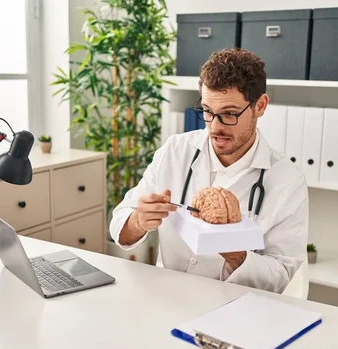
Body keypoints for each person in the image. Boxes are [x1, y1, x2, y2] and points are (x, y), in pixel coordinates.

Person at [109, 48, 308, 293]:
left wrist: (234, 253)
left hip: (232, 307)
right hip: (165, 297)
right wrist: (139, 221)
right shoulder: (175, 151)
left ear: (260, 106)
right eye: (207, 111)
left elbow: (281, 275)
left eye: (230, 114)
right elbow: (121, 227)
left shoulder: (288, 181)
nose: (215, 127)